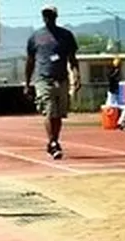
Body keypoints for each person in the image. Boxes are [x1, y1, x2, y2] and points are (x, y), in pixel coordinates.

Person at [24, 4, 80, 160]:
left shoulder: (66, 35)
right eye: (45, 14)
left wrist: (76, 76)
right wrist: (27, 83)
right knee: (49, 111)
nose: (47, 17)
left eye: (50, 14)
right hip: (43, 79)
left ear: (56, 16)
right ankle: (53, 142)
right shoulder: (35, 37)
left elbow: (72, 59)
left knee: (59, 114)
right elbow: (30, 61)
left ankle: (53, 141)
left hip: (61, 79)